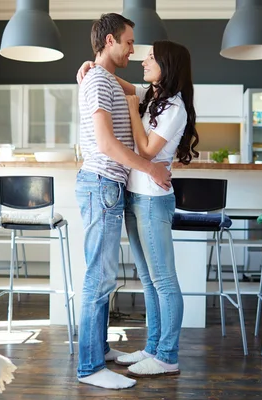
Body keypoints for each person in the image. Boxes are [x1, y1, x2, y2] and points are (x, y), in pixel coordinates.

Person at [77, 40, 200, 378]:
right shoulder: (154, 97)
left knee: (163, 280)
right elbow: (121, 83)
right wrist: (92, 68)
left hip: (152, 200)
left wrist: (132, 110)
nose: (143, 61)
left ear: (168, 65)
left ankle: (167, 356)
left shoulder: (174, 107)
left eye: (150, 58)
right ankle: (153, 347)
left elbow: (145, 150)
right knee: (147, 279)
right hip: (134, 195)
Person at [74, 13, 172, 390]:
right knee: (99, 279)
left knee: (103, 277)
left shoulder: (104, 80)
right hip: (101, 183)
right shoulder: (98, 82)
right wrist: (150, 168)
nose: (134, 49)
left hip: (106, 185)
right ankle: (89, 367)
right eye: (129, 42)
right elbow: (106, 145)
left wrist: (90, 65)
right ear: (111, 40)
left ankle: (97, 350)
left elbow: (133, 91)